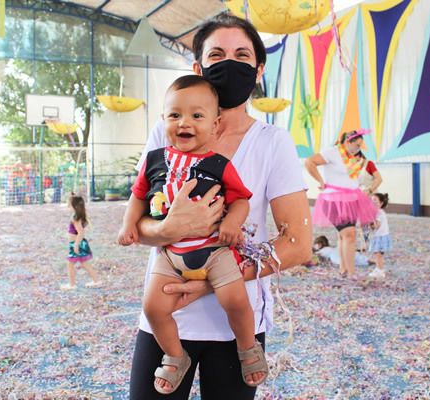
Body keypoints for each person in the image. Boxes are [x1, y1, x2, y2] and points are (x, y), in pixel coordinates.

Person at [128, 14, 312, 400]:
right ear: (198, 68)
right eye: (217, 54)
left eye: (242, 54)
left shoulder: (272, 142)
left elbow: (297, 243)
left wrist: (213, 282)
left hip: (234, 322)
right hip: (166, 311)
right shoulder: (165, 133)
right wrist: (166, 230)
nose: (230, 63)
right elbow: (138, 222)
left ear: (258, 70)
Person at [118, 75, 266, 394]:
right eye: (175, 115)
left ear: (215, 125)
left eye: (197, 116)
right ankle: (174, 355)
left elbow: (241, 199)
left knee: (237, 301)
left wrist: (232, 224)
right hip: (171, 257)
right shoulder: (155, 160)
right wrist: (129, 224)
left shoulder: (219, 164)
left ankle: (247, 347)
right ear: (163, 121)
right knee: (153, 306)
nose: (185, 122)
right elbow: (139, 194)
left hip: (214, 252)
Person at [304, 129, 379, 279]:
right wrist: (320, 181)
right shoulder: (332, 152)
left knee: (344, 235)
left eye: (360, 146)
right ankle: (351, 272)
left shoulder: (352, 157)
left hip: (351, 199)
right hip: (333, 201)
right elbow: (309, 162)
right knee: (350, 234)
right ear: (347, 142)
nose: (357, 149)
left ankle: (344, 269)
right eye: (356, 145)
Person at [60, 195, 103, 290]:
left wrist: (76, 245)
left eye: (69, 206)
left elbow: (81, 232)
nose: (68, 208)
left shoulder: (76, 218)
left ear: (75, 207)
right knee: (84, 263)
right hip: (78, 244)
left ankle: (72, 284)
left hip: (77, 244)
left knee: (70, 264)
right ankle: (96, 280)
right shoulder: (75, 217)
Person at [355, 151, 382, 251]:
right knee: (363, 223)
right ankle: (366, 244)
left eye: (355, 158)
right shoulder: (352, 167)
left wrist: (370, 190)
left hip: (371, 196)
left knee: (374, 222)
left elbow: (379, 179)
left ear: (360, 156)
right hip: (360, 197)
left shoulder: (369, 164)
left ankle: (378, 242)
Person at [367, 193, 393, 279]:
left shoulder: (378, 213)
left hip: (380, 236)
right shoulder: (379, 212)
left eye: (375, 201)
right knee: (377, 253)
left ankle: (381, 270)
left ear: (381, 203)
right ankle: (378, 268)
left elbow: (376, 226)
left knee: (377, 253)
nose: (372, 202)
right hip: (380, 235)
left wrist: (370, 224)